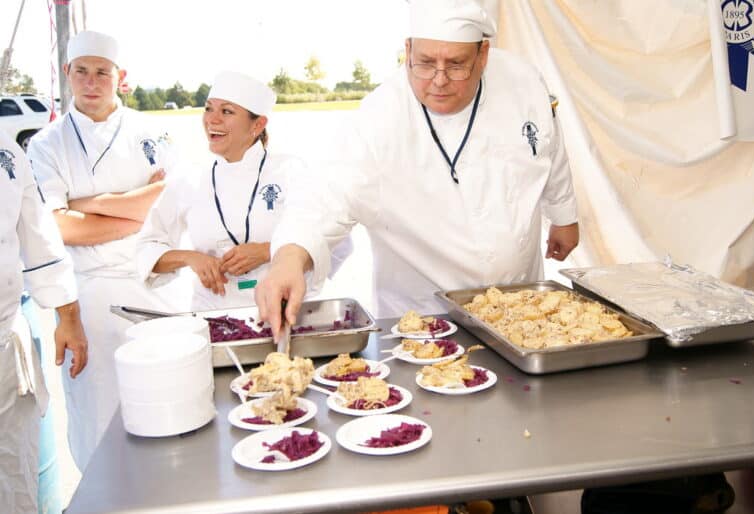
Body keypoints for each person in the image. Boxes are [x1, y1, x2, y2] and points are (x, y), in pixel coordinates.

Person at [256, 0, 579, 331]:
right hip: (424, 316)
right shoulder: (380, 116)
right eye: (425, 63)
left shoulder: (523, 81)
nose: (439, 80)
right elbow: (327, 193)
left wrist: (564, 215)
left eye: (456, 65)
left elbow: (549, 146)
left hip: (522, 304)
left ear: (483, 55)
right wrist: (289, 258)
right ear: (408, 50)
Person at [26, 30, 179, 471]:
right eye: (82, 72)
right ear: (67, 73)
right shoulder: (47, 143)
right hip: (89, 298)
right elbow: (57, 227)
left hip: (155, 287)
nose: (91, 82)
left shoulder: (153, 132)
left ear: (120, 76)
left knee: (163, 403)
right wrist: (135, 212)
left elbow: (170, 200)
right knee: (96, 415)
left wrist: (88, 204)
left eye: (102, 73)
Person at [136, 72, 316, 309]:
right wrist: (190, 258)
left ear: (258, 124)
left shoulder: (290, 171)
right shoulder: (189, 179)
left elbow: (329, 240)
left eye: (227, 111)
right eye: (208, 109)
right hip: (212, 312)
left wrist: (268, 251)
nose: (212, 120)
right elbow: (148, 246)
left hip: (284, 309)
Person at [0, 133, 88, 514]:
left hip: (5, 347)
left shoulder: (5, 149)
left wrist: (69, 316)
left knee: (13, 477)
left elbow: (38, 237)